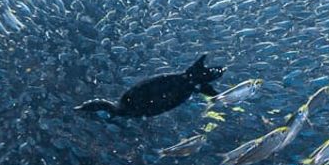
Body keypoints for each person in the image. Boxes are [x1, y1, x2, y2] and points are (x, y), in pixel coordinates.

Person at [76, 55, 224, 119]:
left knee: (192, 81)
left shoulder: (129, 106)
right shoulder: (129, 105)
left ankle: (199, 76)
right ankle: (199, 77)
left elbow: (154, 89)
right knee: (192, 80)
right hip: (179, 85)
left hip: (178, 86)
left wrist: (187, 82)